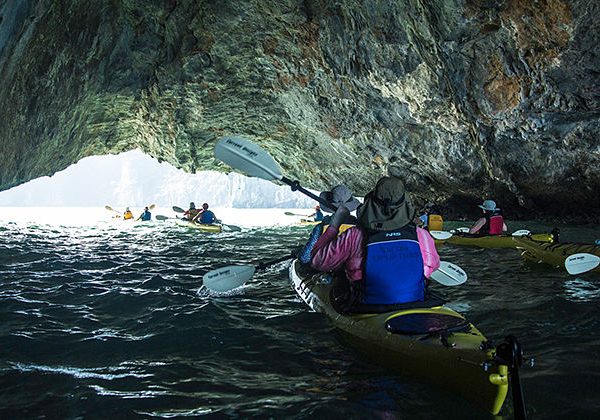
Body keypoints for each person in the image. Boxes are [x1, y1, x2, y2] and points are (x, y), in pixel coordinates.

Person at [309, 176, 440, 312]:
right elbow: (434, 265)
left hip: (368, 307)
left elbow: (317, 262)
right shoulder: (422, 235)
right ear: (405, 205)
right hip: (414, 302)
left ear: (371, 203)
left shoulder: (354, 235)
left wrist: (334, 225)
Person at [298, 185, 361, 265]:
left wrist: (299, 254)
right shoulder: (359, 226)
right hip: (350, 270)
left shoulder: (321, 227)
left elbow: (305, 258)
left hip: (325, 267)